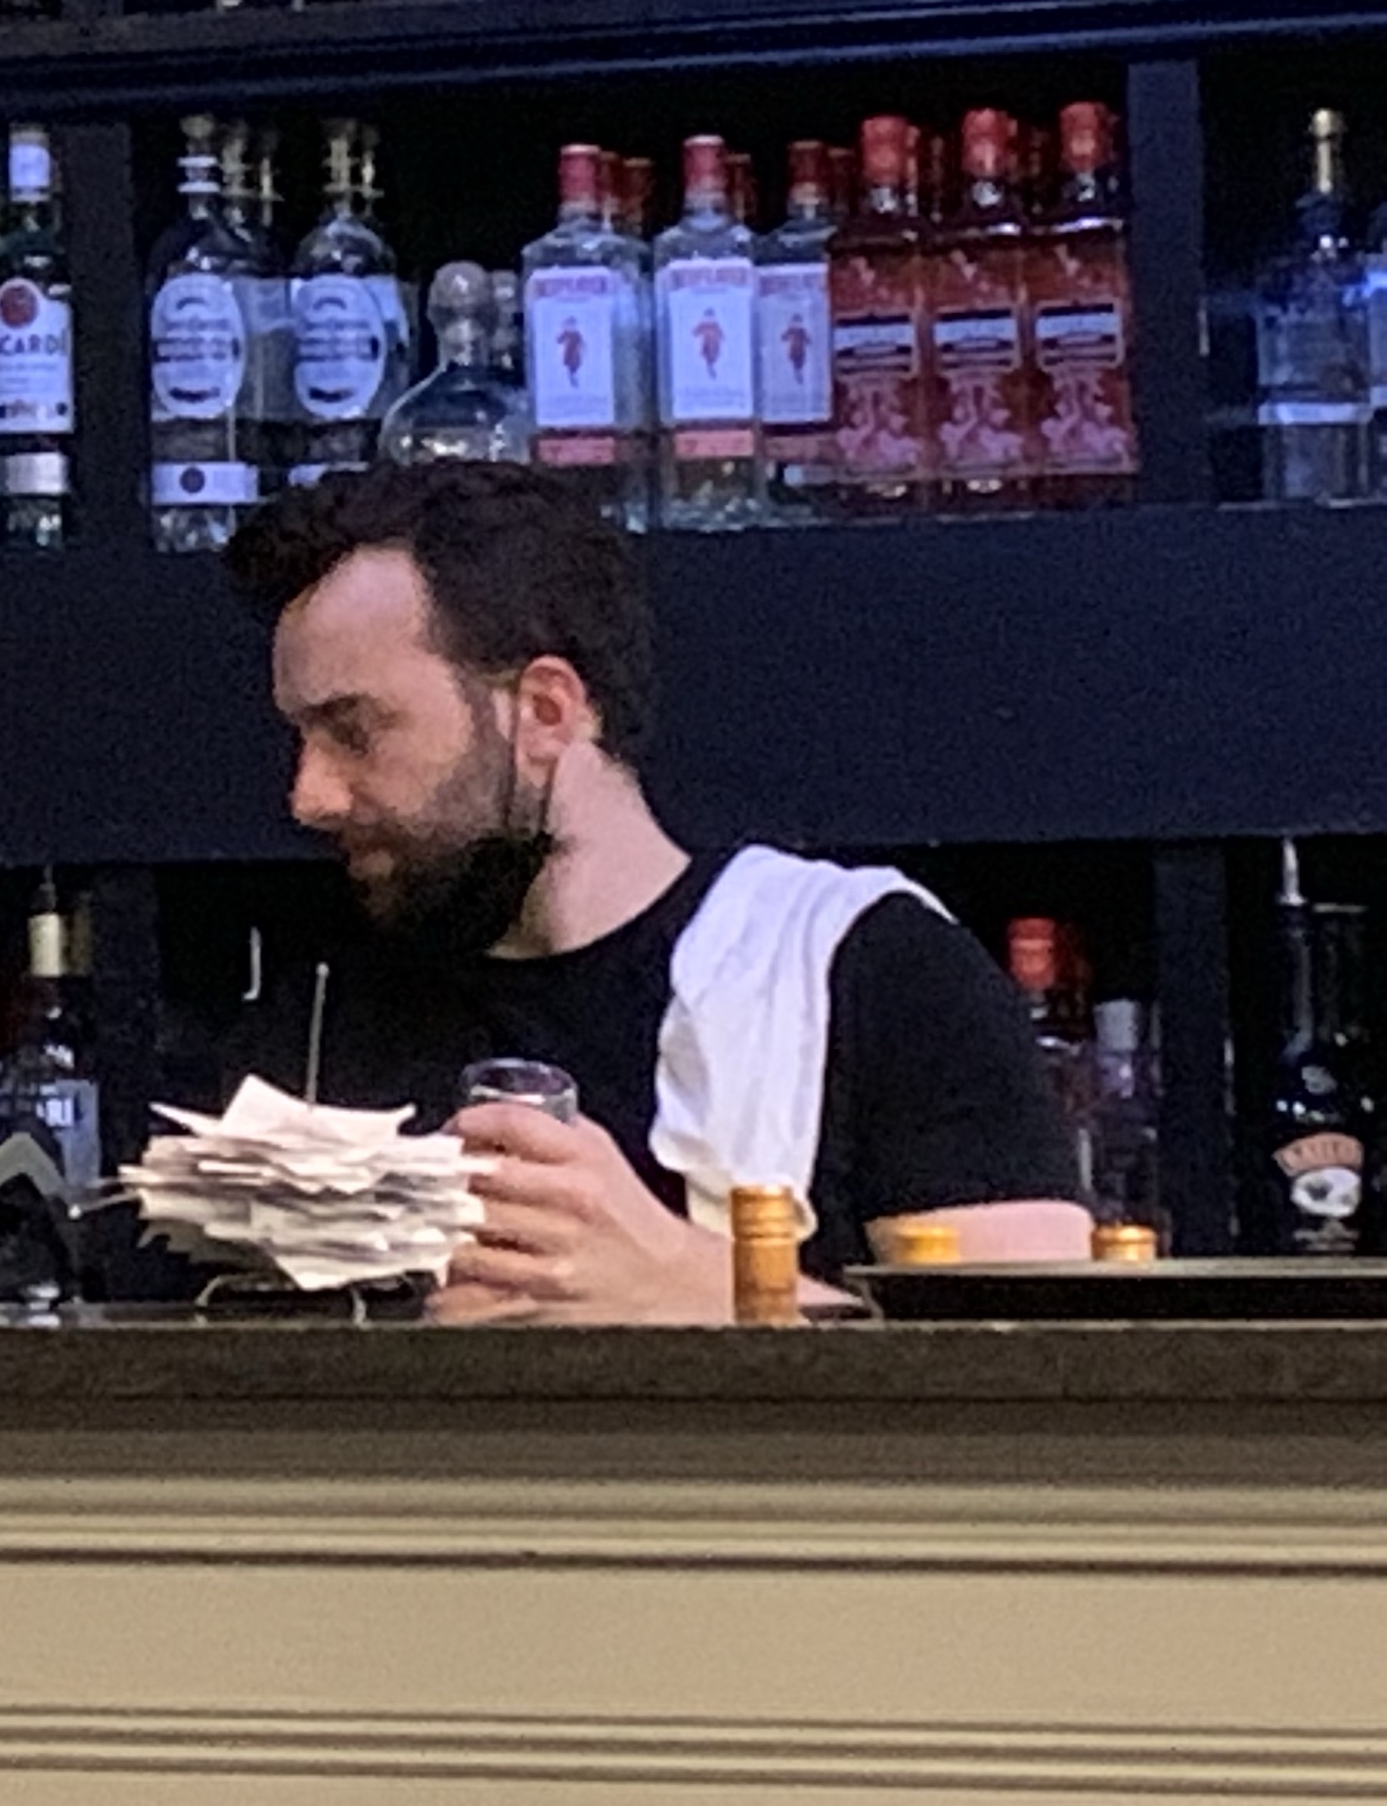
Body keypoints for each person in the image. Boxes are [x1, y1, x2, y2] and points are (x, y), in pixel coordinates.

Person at [219, 463, 1081, 1324]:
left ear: (545, 711)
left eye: (355, 731)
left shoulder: (863, 968)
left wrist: (674, 1282)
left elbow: (1038, 1370)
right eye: (301, 738)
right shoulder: (317, 1024)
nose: (308, 797)